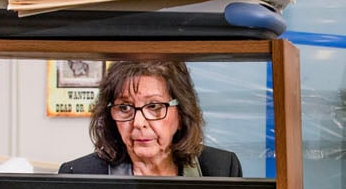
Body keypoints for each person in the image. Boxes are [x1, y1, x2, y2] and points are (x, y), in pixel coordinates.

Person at [59, 61, 243, 177]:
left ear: (181, 112)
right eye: (124, 108)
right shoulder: (79, 173)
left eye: (154, 106)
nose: (138, 123)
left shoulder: (222, 168)